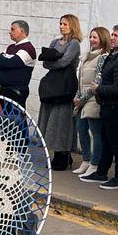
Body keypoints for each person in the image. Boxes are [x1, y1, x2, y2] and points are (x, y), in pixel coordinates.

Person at [81, 25, 118, 190]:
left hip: (116, 107)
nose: (112, 37)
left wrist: (98, 89)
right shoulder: (114, 55)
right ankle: (101, 172)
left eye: (116, 35)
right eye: (112, 34)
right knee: (107, 140)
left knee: (116, 142)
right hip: (107, 105)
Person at [37, 15, 82, 171]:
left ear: (72, 26)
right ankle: (55, 153)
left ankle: (63, 155)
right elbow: (45, 62)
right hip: (52, 84)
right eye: (60, 23)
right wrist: (54, 60)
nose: (61, 26)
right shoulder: (55, 42)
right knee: (49, 119)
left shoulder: (74, 43)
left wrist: (53, 60)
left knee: (61, 120)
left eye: (65, 24)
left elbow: (65, 61)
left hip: (65, 84)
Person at [73, 27, 110, 176]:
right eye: (91, 37)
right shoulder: (86, 56)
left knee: (96, 133)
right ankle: (86, 160)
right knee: (81, 129)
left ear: (102, 39)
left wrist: (81, 99)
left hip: (93, 100)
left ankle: (95, 164)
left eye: (95, 37)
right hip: (82, 100)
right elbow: (81, 80)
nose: (91, 40)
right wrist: (77, 95)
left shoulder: (103, 57)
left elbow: (97, 81)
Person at [0, 20, 36, 107]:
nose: (10, 32)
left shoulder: (28, 48)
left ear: (21, 31)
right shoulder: (11, 47)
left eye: (12, 29)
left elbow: (10, 63)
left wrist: (4, 60)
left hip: (16, 91)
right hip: (5, 90)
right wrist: (4, 61)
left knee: (16, 118)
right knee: (4, 119)